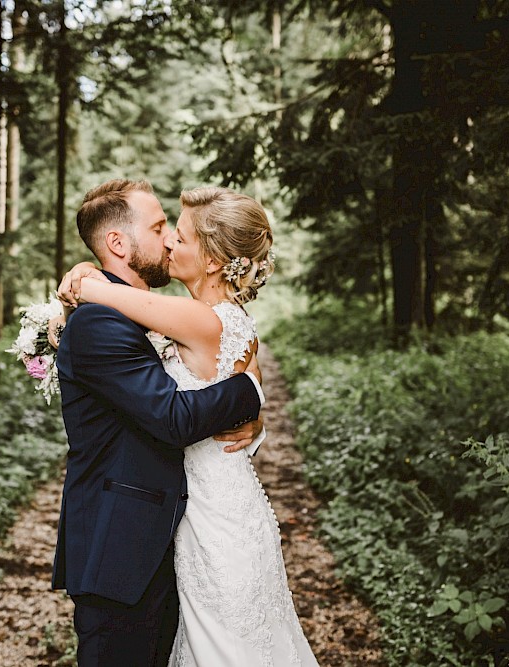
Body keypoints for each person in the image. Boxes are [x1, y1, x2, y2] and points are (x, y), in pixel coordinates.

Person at [58, 186, 318, 666]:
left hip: (208, 513)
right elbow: (180, 411)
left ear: (215, 260)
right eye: (161, 230)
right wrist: (250, 399)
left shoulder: (191, 316)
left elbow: (193, 394)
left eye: (175, 233)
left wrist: (86, 280)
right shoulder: (125, 320)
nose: (170, 243)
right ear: (119, 242)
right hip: (156, 528)